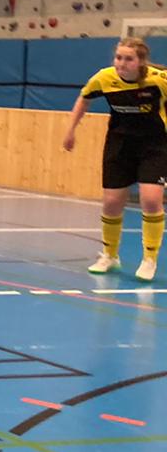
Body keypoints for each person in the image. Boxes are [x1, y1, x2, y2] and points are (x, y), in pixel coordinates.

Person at [61, 36, 166, 282]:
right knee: (111, 202)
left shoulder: (158, 81)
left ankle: (149, 259)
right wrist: (70, 129)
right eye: (118, 57)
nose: (121, 63)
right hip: (119, 146)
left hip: (154, 146)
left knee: (151, 200)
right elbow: (84, 98)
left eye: (128, 59)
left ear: (140, 62)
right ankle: (109, 255)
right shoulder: (104, 78)